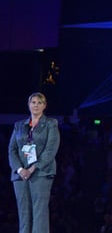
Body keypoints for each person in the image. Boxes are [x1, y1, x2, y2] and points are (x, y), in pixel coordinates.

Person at [8, 92, 61, 233]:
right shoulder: (19, 126)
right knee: (23, 212)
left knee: (39, 212)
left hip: (41, 173)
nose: (36, 105)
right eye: (33, 102)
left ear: (44, 106)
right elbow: (12, 150)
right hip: (20, 175)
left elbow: (51, 149)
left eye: (39, 102)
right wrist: (20, 169)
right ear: (28, 105)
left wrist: (33, 168)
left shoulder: (51, 123)